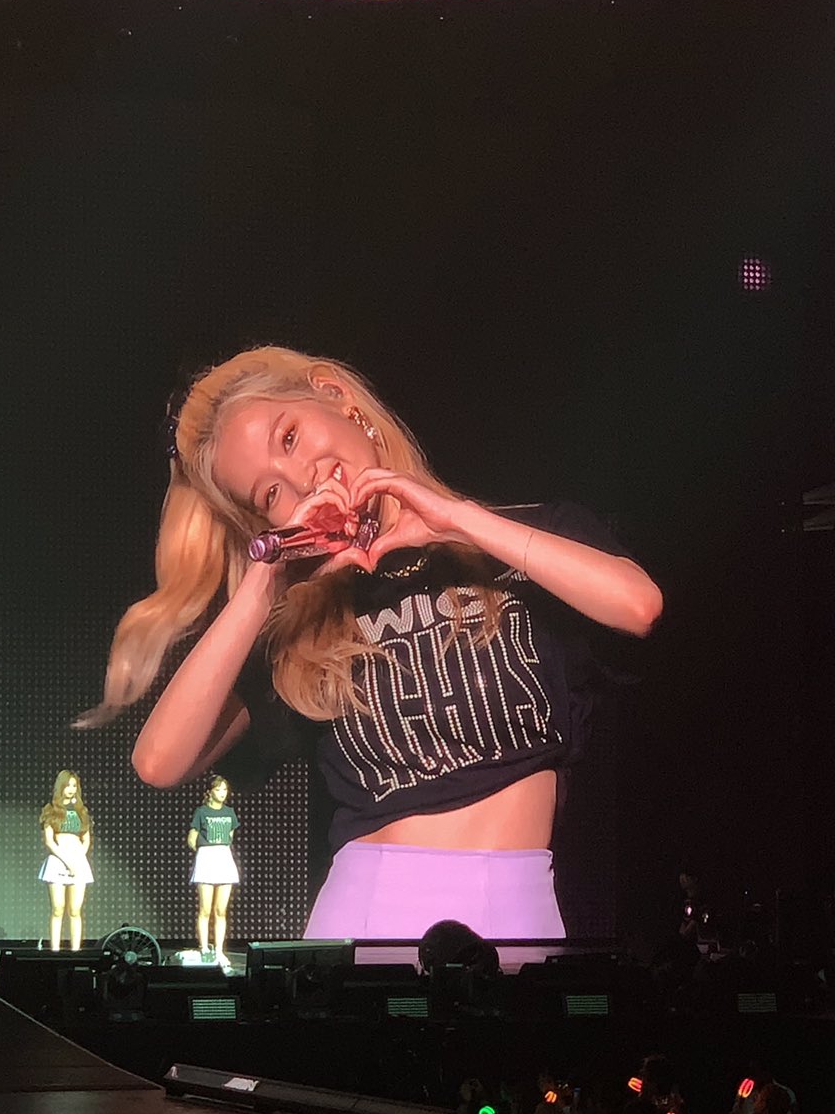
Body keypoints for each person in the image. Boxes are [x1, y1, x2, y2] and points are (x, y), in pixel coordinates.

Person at [84, 348, 662, 942]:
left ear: (338, 399)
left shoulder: (524, 540)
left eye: (290, 437)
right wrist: (264, 582)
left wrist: (456, 521)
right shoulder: (307, 628)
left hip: (514, 903)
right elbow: (158, 762)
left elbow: (639, 606)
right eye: (270, 494)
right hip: (364, 911)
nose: (303, 478)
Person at [187, 774, 240, 965]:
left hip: (224, 858)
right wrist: (203, 851)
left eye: (225, 789)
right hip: (207, 858)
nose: (222, 793)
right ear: (209, 792)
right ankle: (204, 948)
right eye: (218, 789)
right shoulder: (201, 812)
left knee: (221, 910)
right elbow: (192, 838)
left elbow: (231, 835)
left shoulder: (229, 812)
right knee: (205, 909)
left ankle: (219, 950)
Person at [37, 770, 92, 952]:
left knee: (75, 910)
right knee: (58, 908)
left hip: (78, 863)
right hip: (58, 861)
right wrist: (67, 861)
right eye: (67, 785)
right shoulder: (51, 810)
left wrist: (79, 859)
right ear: (60, 787)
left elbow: (86, 839)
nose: (71, 789)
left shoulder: (82, 811)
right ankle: (55, 950)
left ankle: (76, 951)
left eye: (74, 786)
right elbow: (49, 841)